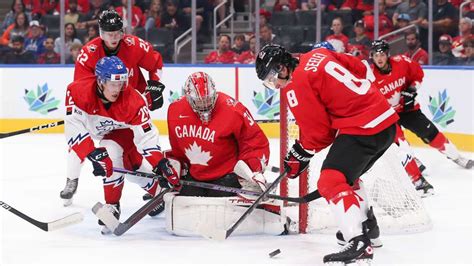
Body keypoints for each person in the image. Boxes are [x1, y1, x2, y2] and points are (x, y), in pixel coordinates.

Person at [256, 44, 399, 264]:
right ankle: (368, 228)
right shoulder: (317, 54)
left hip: (364, 128)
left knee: (330, 181)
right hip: (385, 121)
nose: (275, 84)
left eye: (274, 77)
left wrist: (300, 153)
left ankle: (358, 241)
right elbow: (360, 68)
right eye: (269, 82)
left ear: (283, 66)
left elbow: (320, 134)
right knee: (346, 177)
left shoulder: (296, 85)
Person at [61, 10, 165, 207]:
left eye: (118, 32)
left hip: (128, 108)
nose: (114, 37)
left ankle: (154, 187)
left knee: (129, 158)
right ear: (100, 33)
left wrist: (155, 86)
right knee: (78, 143)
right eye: (109, 33)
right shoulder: (88, 54)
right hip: (101, 111)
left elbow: (155, 63)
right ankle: (71, 179)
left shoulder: (134, 45)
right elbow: (82, 91)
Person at [164, 71, 288, 236]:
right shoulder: (175, 111)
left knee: (219, 206)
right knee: (186, 202)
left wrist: (253, 169)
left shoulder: (232, 109)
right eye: (198, 101)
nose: (204, 105)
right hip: (196, 177)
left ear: (214, 93)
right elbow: (177, 148)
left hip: (227, 176)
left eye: (208, 99)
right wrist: (176, 168)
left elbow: (255, 142)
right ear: (188, 97)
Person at [64, 56, 179, 233]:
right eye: (113, 84)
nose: (118, 89)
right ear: (101, 81)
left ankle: (112, 206)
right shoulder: (77, 91)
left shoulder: (134, 100)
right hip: (96, 131)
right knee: (132, 168)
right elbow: (73, 126)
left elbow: (146, 137)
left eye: (121, 83)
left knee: (109, 153)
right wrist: (91, 152)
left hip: (124, 133)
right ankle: (159, 192)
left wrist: (160, 163)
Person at [370, 40, 473, 174]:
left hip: (408, 109)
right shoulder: (370, 77)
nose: (379, 58)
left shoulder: (402, 62)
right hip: (388, 115)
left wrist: (412, 89)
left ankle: (456, 156)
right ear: (372, 57)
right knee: (400, 143)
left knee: (431, 134)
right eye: (376, 55)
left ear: (388, 54)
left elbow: (418, 75)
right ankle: (413, 163)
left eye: (382, 54)